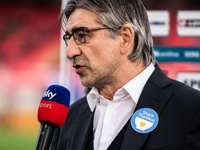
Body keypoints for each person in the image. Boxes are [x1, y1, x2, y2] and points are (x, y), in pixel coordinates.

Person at [51, 0, 200, 149]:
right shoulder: (68, 118)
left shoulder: (191, 110)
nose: (70, 52)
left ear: (125, 38)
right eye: (69, 39)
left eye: (82, 35)